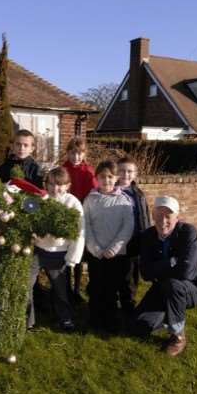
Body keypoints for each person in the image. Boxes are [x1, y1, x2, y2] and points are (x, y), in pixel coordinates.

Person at [132, 196, 197, 356]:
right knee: (138, 327)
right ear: (153, 215)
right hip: (163, 287)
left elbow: (186, 273)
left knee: (173, 285)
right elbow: (145, 273)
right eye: (159, 215)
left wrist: (158, 269)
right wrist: (172, 261)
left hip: (193, 287)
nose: (163, 220)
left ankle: (178, 336)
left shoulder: (188, 232)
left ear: (177, 218)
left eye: (168, 216)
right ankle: (169, 313)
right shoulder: (148, 236)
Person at [27, 167, 85, 331]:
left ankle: (65, 318)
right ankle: (27, 320)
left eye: (59, 185)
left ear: (68, 185)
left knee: (60, 289)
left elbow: (79, 232)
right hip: (37, 250)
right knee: (27, 286)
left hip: (59, 254)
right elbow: (30, 218)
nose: (54, 188)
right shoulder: (40, 199)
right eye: (51, 184)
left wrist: (73, 258)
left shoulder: (73, 203)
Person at [83, 160, 134, 331]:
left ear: (116, 178)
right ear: (97, 178)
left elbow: (127, 227)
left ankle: (111, 321)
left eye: (110, 177)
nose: (107, 181)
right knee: (96, 287)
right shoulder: (90, 199)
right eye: (103, 177)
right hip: (96, 253)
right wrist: (95, 248)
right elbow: (85, 225)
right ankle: (95, 319)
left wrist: (114, 248)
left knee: (112, 288)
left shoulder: (124, 201)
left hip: (116, 255)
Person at [63, 137, 97, 302]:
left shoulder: (88, 171)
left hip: (82, 216)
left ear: (84, 154)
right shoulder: (63, 170)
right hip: (66, 216)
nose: (76, 157)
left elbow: (93, 194)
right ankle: (66, 288)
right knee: (66, 253)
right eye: (72, 153)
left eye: (79, 154)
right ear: (68, 153)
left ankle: (76, 290)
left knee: (78, 254)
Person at [117, 155, 150, 311]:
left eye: (130, 171)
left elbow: (144, 217)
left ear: (135, 174)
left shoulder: (138, 194)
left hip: (134, 241)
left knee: (131, 276)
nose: (126, 175)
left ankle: (128, 304)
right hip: (115, 241)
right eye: (122, 171)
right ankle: (111, 302)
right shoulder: (111, 191)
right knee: (116, 274)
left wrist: (146, 238)